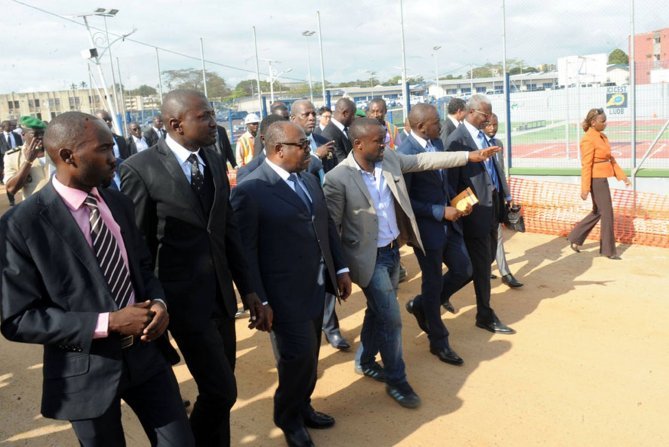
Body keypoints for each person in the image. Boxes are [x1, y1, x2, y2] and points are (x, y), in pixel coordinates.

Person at [0, 111, 193, 446]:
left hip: (147, 357)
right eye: (103, 148)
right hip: (84, 369)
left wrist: (159, 302)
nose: (113, 157)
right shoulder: (22, 225)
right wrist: (109, 322)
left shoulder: (118, 203)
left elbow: (142, 267)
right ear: (68, 156)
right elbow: (18, 319)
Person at [120, 89, 271, 446]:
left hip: (221, 297)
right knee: (222, 391)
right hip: (180, 303)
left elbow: (227, 230)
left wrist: (248, 288)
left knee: (220, 388)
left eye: (212, 114)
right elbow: (137, 247)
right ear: (176, 124)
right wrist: (150, 303)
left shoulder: (214, 160)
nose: (213, 122)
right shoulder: (140, 169)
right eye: (204, 116)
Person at [323, 118, 498, 409]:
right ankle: (397, 379)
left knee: (377, 312)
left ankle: (365, 361)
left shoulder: (389, 160)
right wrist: (340, 269)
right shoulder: (338, 178)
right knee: (391, 320)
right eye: (379, 141)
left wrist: (469, 156)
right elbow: (331, 229)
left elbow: (424, 160)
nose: (385, 144)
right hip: (369, 260)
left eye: (385, 139)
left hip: (394, 252)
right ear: (358, 144)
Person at [231, 121, 352, 447]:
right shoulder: (250, 190)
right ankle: (288, 418)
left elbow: (325, 226)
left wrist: (340, 268)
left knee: (310, 354)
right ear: (278, 149)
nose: (309, 150)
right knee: (297, 358)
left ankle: (303, 405)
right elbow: (246, 254)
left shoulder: (309, 179)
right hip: (282, 297)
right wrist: (259, 299)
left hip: (316, 287)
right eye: (302, 145)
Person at [397, 104, 471, 366]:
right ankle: (439, 341)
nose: (440, 125)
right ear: (421, 127)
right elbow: (406, 202)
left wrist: (458, 201)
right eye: (436, 122)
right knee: (433, 281)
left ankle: (421, 305)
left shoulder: (437, 142)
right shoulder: (405, 154)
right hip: (427, 230)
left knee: (465, 269)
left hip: (450, 223)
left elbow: (442, 181)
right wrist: (440, 211)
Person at [444, 94, 515, 334]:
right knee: (481, 267)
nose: (489, 119)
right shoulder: (457, 140)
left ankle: (430, 300)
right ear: (471, 112)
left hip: (492, 208)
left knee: (485, 261)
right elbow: (451, 183)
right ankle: (484, 314)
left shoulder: (483, 136)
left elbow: (494, 170)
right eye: (485, 114)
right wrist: (463, 209)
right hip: (474, 213)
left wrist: (503, 199)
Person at [567, 108, 630, 259]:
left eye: (605, 120)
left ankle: (575, 237)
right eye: (603, 121)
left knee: (598, 211)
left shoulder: (602, 136)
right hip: (596, 180)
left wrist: (623, 177)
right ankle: (608, 251)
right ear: (593, 122)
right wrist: (585, 188)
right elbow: (586, 165)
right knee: (607, 213)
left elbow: (610, 159)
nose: (605, 123)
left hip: (602, 178)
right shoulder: (588, 139)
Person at [484, 113, 523, 288]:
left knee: (497, 234)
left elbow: (500, 171)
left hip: (497, 197)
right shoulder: (476, 145)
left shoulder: (498, 144)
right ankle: (483, 267)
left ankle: (505, 273)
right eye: (488, 125)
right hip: (481, 200)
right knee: (483, 238)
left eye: (495, 124)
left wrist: (507, 196)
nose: (492, 128)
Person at [3, 116, 52, 201]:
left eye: (43, 133)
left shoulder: (55, 151)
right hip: (34, 206)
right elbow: (11, 189)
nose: (40, 136)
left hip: (61, 205)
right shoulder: (13, 156)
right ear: (23, 135)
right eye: (35, 134)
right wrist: (28, 161)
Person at [320, 98, 356, 163]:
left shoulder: (345, 129)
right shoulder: (329, 134)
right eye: (353, 114)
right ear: (345, 113)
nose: (354, 118)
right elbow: (340, 161)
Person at [1, 119, 23, 205]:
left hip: (18, 160)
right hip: (5, 163)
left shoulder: (17, 136)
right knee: (9, 181)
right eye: (8, 125)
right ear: (3, 127)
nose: (11, 127)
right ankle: (11, 200)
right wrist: (1, 167)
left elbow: (21, 147)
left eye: (11, 125)